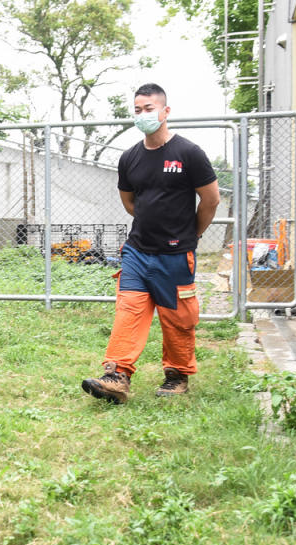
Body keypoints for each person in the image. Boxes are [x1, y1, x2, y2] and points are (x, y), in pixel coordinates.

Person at [81, 83, 220, 404]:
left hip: (175, 255)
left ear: (165, 111)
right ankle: (116, 376)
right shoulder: (130, 158)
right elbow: (130, 203)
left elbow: (210, 201)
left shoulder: (189, 153)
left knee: (177, 320)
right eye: (138, 110)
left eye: (149, 108)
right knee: (127, 312)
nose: (143, 115)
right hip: (137, 253)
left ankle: (176, 374)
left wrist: (190, 235)